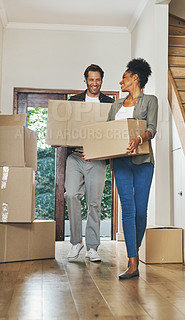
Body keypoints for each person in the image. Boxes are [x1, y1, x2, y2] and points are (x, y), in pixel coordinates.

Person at [107, 58, 158, 279]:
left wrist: (139, 138)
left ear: (135, 78)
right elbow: (107, 133)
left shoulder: (150, 101)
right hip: (120, 161)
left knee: (140, 210)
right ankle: (133, 262)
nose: (121, 82)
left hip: (143, 161)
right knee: (127, 209)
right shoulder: (116, 105)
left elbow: (152, 129)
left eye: (124, 78)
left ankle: (134, 250)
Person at [64, 64, 114, 261]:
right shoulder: (73, 102)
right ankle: (76, 242)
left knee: (94, 202)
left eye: (98, 79)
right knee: (71, 195)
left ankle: (92, 247)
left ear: (102, 80)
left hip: (98, 159)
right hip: (76, 156)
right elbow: (64, 128)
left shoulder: (110, 104)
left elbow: (112, 134)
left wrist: (98, 152)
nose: (94, 83)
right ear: (85, 80)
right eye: (91, 79)